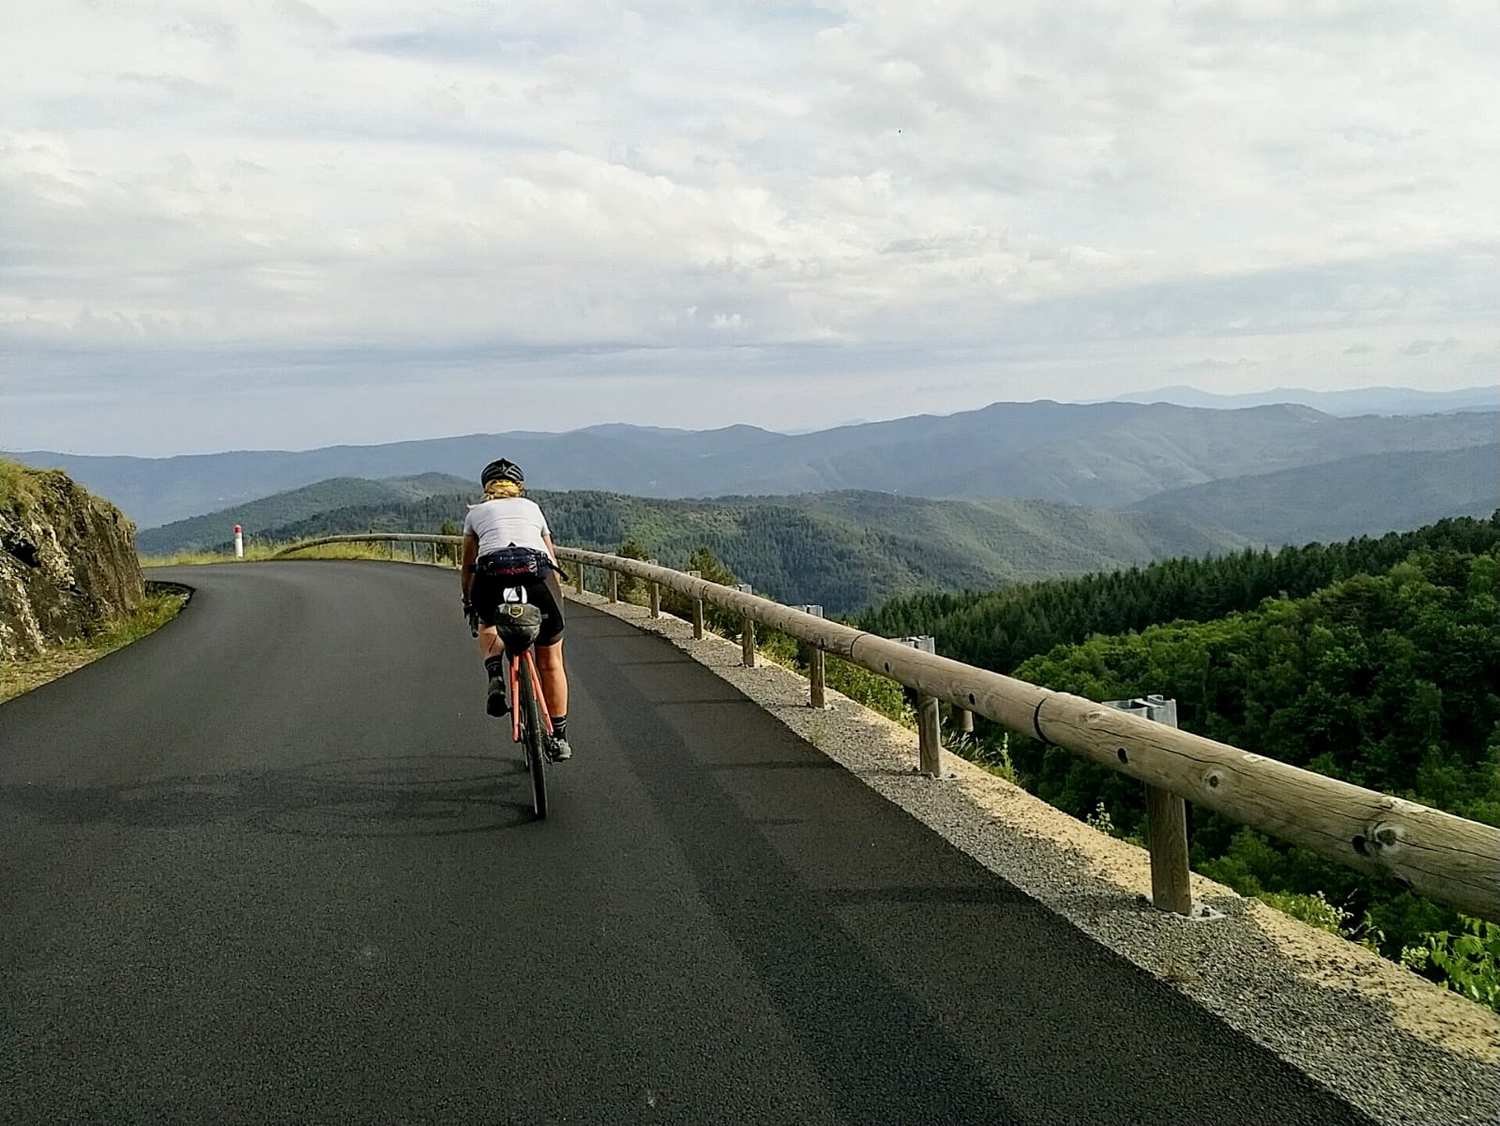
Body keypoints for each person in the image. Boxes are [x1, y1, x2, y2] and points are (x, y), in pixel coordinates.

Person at [460, 458, 572, 761]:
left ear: (487, 489)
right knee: (551, 660)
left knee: (488, 623)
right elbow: (551, 556)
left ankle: (495, 674)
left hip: (491, 577)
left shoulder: (476, 513)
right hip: (538, 577)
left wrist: (468, 600)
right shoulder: (532, 508)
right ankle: (559, 736)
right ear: (519, 488)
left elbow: (469, 564)